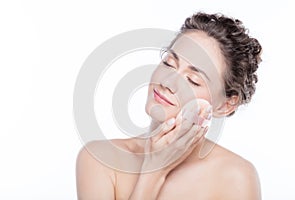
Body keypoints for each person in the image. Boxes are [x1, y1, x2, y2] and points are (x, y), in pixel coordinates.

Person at [76, 11, 262, 200]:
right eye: (169, 63)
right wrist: (153, 171)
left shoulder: (235, 176)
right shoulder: (100, 159)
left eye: (193, 80)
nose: (168, 82)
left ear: (226, 105)